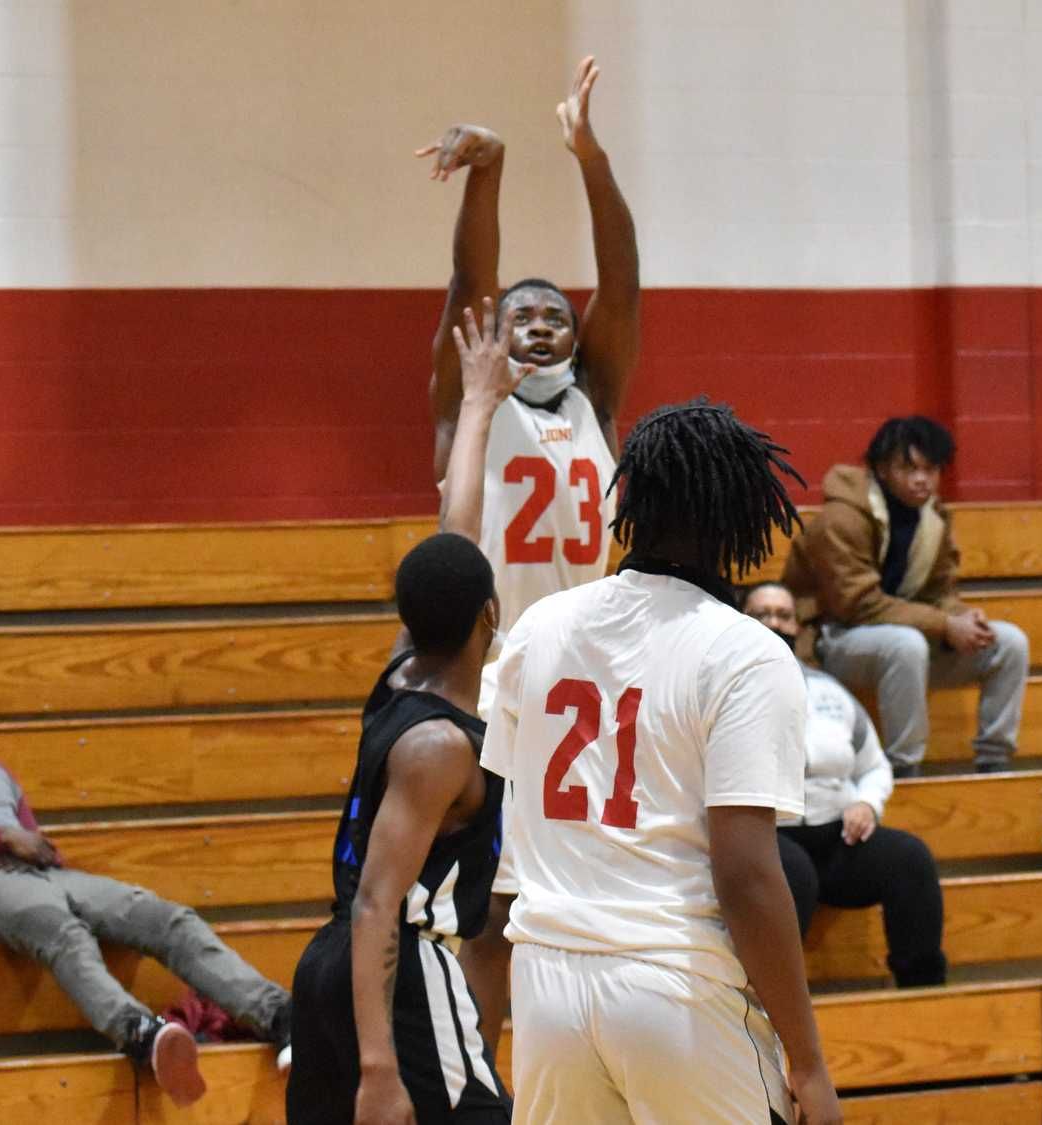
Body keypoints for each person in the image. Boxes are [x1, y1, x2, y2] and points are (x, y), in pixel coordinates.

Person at [482, 399, 844, 1124]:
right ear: (741, 516)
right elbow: (745, 874)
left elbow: (504, 835)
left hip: (546, 980)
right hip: (675, 983)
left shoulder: (539, 627)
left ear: (630, 501)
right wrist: (807, 1059)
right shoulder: (746, 652)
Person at [286, 301, 520, 1124]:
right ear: (491, 614)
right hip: (399, 973)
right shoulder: (440, 745)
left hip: (330, 966)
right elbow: (379, 903)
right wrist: (380, 1070)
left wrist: (480, 404)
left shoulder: (401, 673)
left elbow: (457, 529)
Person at [0, 653, 290, 1108]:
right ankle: (141, 1034)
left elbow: (36, 844)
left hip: (42, 875)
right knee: (58, 928)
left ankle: (281, 1017)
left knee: (166, 918)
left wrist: (34, 850)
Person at [416, 54, 641, 715]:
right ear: (495, 329)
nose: (540, 326)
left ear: (577, 339)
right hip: (484, 661)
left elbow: (622, 285)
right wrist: (489, 169)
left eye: (556, 318)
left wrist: (591, 159)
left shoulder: (592, 401)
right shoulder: (469, 403)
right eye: (522, 316)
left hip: (577, 658)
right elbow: (470, 281)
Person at [780, 416, 1028, 778]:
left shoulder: (933, 517)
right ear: (882, 469)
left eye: (930, 469)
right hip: (830, 641)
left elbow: (940, 592)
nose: (921, 479)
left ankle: (995, 763)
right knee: (905, 644)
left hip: (903, 640)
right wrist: (945, 624)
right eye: (909, 468)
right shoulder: (841, 518)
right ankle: (904, 767)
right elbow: (857, 603)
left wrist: (962, 617)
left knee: (1009, 642)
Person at [743, 582, 948, 989]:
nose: (774, 623)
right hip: (767, 836)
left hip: (836, 835)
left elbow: (874, 765)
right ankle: (768, 1002)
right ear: (740, 623)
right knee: (795, 875)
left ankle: (923, 992)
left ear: (798, 628)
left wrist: (867, 804)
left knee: (910, 859)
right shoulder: (719, 691)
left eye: (784, 615)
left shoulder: (830, 691)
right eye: (762, 614)